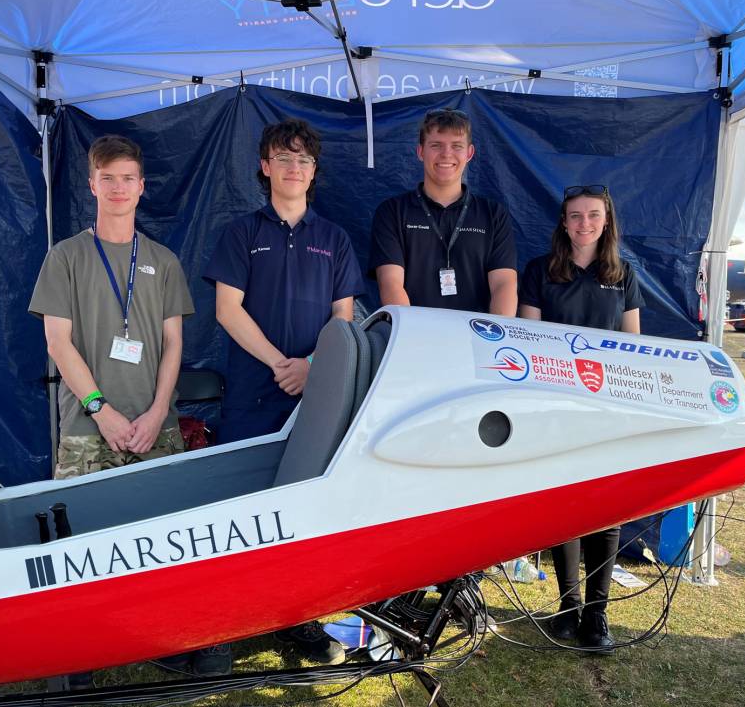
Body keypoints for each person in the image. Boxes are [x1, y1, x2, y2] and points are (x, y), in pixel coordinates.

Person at [203, 118, 365, 669]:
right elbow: (228, 310)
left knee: (305, 513)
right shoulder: (242, 233)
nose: (294, 168)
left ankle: (298, 619)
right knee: (238, 512)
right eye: (283, 157)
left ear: (314, 172)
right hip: (253, 395)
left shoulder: (334, 240)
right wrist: (280, 364)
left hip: (314, 401)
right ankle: (222, 626)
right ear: (265, 166)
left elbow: (345, 323)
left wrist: (313, 368)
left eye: (304, 160)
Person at [518, 183, 644, 655]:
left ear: (606, 220)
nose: (584, 223)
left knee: (605, 510)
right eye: (575, 216)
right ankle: (567, 607)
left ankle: (597, 612)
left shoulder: (624, 274)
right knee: (564, 508)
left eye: (593, 215)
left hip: (606, 410)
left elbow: (634, 346)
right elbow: (525, 339)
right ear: (563, 222)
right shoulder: (540, 271)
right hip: (554, 408)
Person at [29, 134, 194, 477]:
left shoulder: (164, 261)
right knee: (85, 524)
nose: (118, 188)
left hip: (155, 429)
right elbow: (57, 342)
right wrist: (101, 411)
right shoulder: (64, 257)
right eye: (108, 178)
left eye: (127, 178)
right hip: (85, 429)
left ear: (141, 186)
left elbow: (173, 342)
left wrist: (159, 411)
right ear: (92, 185)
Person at [370, 108, 517, 316]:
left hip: (475, 340)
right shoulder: (392, 212)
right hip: (416, 338)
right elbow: (390, 284)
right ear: (421, 151)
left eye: (456, 146)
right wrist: (417, 338)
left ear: (469, 153)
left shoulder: (494, 214)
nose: (446, 154)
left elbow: (504, 284)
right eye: (436, 145)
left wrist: (493, 338)